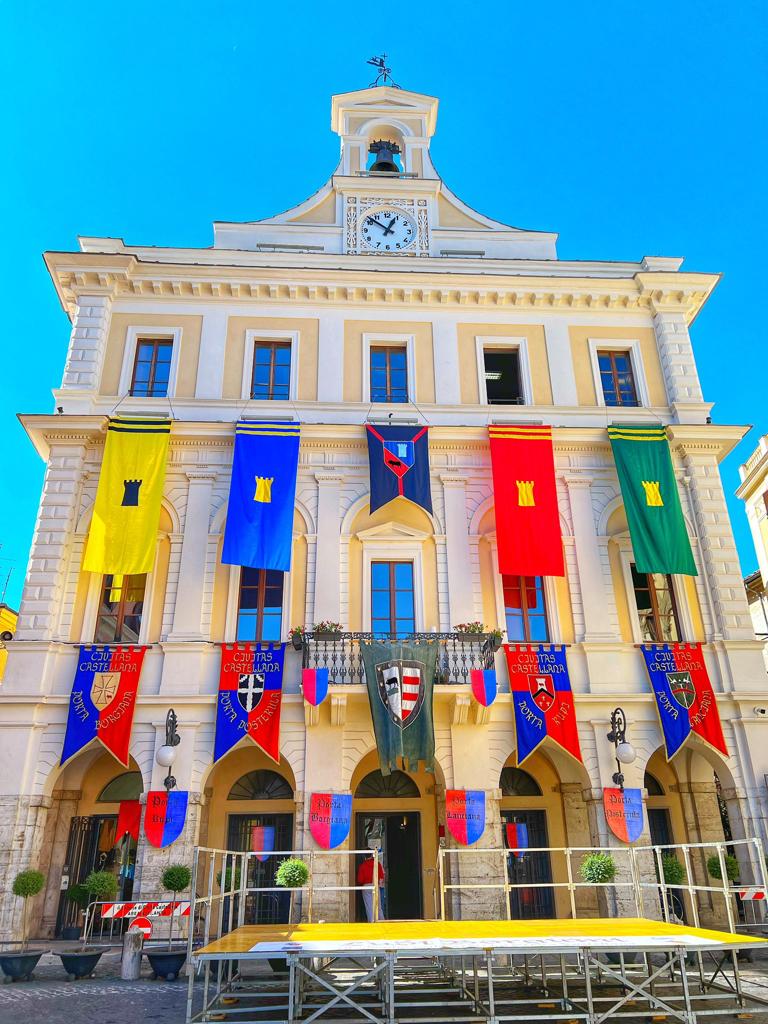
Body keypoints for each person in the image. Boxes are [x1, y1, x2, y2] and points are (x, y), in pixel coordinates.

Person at [357, 852, 385, 922]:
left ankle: (372, 922)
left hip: (366, 887)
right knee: (378, 906)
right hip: (375, 885)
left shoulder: (363, 865)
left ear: (365, 856)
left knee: (369, 907)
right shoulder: (377, 864)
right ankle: (381, 921)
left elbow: (360, 880)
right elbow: (381, 876)